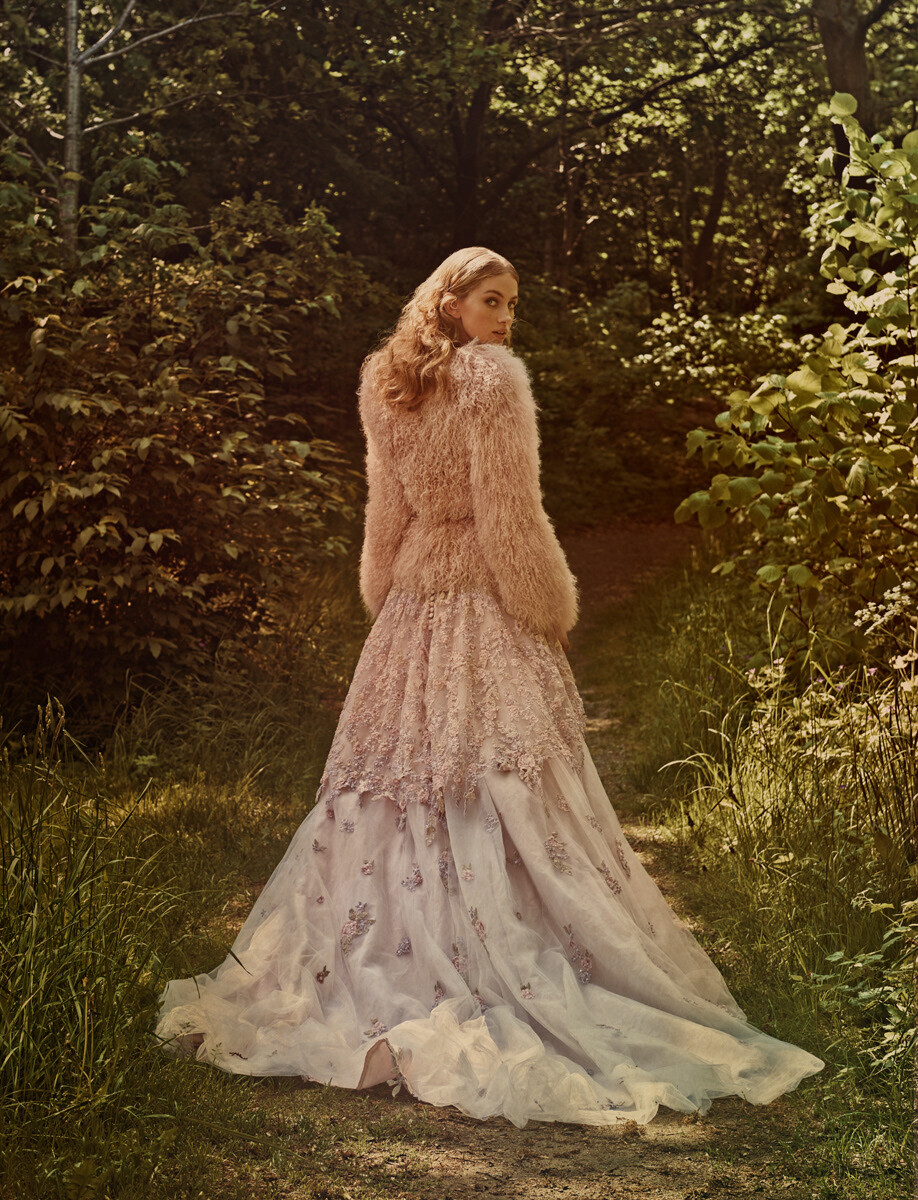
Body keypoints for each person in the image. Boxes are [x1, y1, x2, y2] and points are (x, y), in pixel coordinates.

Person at [155, 246, 824, 1128]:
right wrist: (547, 607)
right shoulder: (490, 380)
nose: (505, 319)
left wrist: (384, 593)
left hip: (411, 596)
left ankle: (380, 954)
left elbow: (386, 512)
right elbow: (510, 510)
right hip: (479, 588)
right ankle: (495, 949)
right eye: (491, 301)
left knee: (402, 769)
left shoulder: (387, 380)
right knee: (489, 765)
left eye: (511, 304)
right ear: (450, 303)